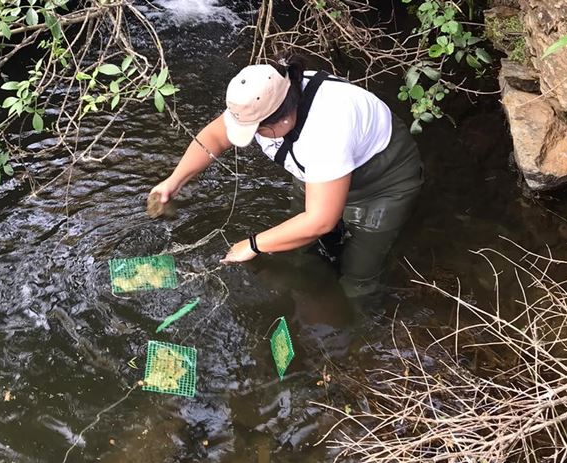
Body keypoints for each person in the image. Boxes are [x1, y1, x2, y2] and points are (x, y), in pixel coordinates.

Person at [149, 56, 423, 297]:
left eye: (258, 131)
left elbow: (319, 221)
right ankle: (311, 290)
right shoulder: (262, 95)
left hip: (382, 182)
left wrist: (253, 244)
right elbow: (215, 137)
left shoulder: (327, 130)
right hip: (315, 172)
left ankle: (353, 337)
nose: (254, 137)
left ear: (283, 120)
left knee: (357, 276)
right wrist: (174, 181)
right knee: (298, 253)